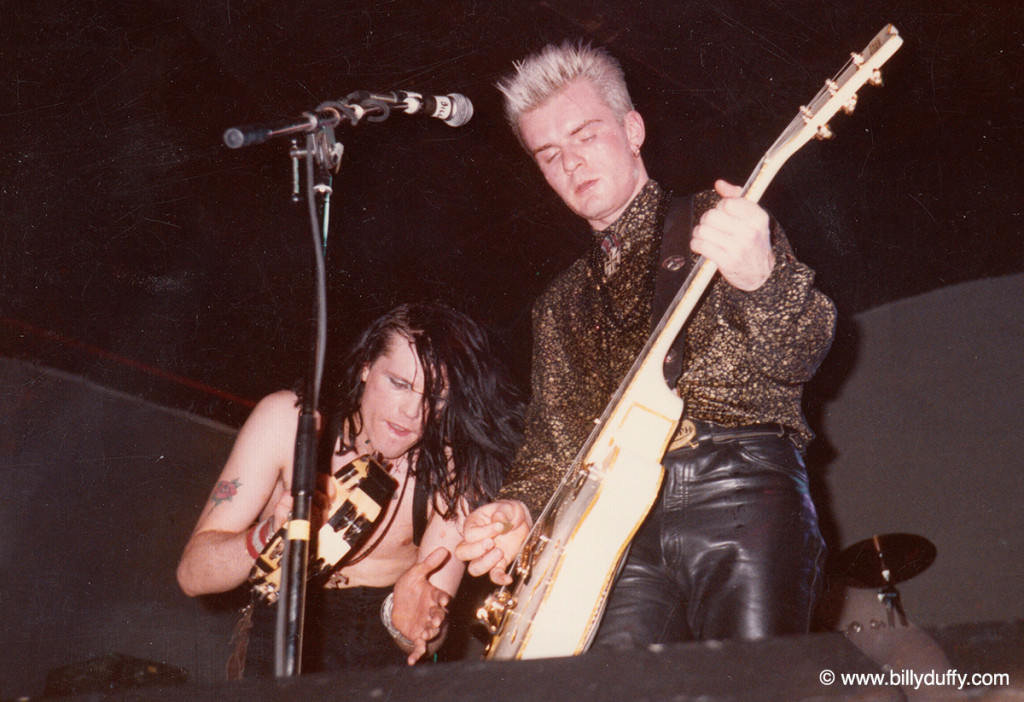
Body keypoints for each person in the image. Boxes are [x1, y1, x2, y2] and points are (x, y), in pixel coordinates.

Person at [456, 41, 836, 647]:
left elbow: (800, 353)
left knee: (750, 687)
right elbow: (552, 441)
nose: (571, 164)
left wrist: (763, 278)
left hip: (736, 488)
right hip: (614, 531)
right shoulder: (557, 305)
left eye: (585, 136)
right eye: (549, 155)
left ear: (632, 129)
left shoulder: (719, 218)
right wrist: (520, 509)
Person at [177, 302, 521, 676]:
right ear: (365, 367)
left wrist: (408, 622)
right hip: (276, 638)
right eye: (399, 384)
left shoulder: (454, 472)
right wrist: (270, 536)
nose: (411, 411)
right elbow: (193, 576)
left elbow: (427, 638)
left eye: (434, 397)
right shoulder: (288, 422)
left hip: (378, 660)